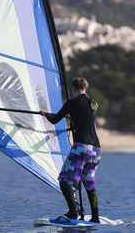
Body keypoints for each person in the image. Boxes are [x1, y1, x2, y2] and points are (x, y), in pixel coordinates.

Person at [40, 77, 101, 223]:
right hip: (96, 149)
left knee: (64, 179)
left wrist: (45, 113)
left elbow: (54, 119)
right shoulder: (94, 103)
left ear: (73, 89)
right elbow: (86, 119)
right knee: (89, 183)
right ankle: (95, 217)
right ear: (85, 89)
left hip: (82, 147)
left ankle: (73, 213)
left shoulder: (73, 102)